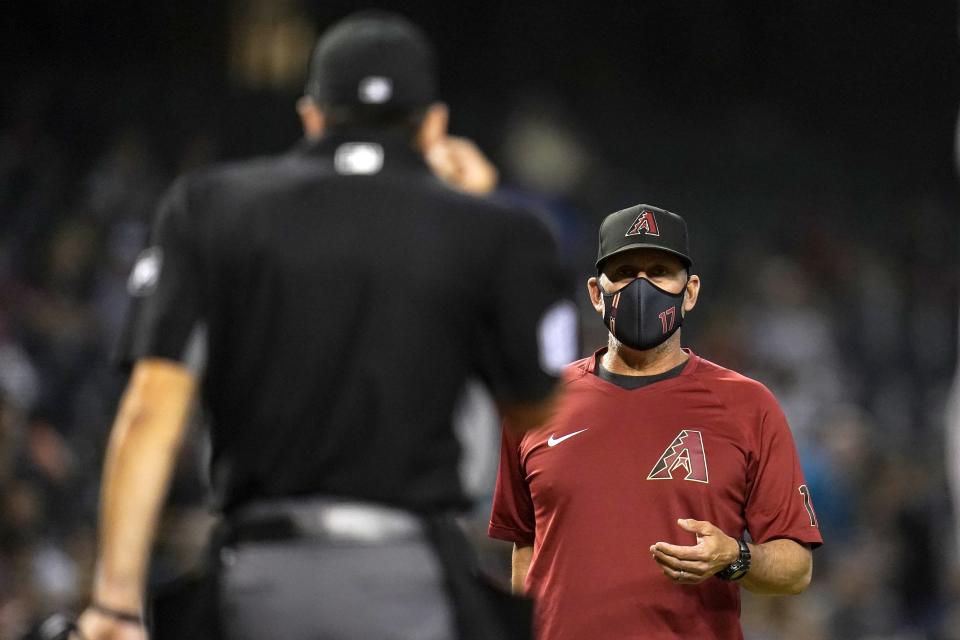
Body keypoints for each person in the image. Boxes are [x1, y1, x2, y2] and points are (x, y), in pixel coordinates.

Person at [73, 11, 577, 640]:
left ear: (311, 115)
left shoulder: (208, 207)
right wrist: (470, 220)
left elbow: (152, 410)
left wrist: (116, 602)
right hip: (410, 577)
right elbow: (537, 408)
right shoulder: (499, 231)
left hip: (256, 578)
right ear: (433, 125)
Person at [489, 204, 823, 639]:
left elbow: (796, 569)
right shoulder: (540, 400)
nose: (641, 286)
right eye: (625, 272)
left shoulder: (747, 405)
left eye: (660, 271)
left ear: (690, 291)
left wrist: (735, 558)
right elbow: (526, 547)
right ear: (595, 292)